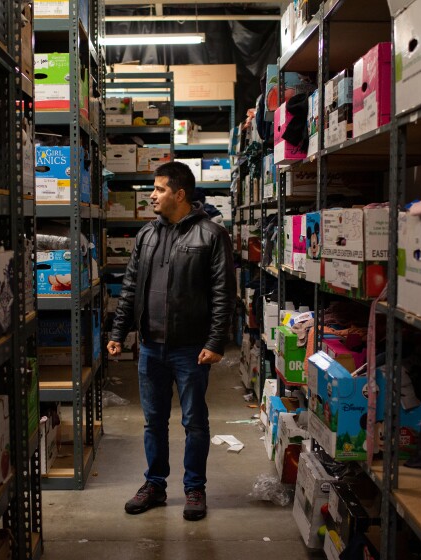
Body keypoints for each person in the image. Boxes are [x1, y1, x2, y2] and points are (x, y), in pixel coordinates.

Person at [107, 161, 236, 521]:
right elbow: (130, 288)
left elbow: (224, 294)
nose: (152, 195)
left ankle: (195, 488)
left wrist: (215, 342)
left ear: (179, 194)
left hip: (191, 348)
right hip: (150, 345)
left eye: (159, 189)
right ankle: (155, 485)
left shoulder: (211, 235)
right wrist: (119, 334)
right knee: (153, 421)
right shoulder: (146, 235)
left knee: (194, 421)